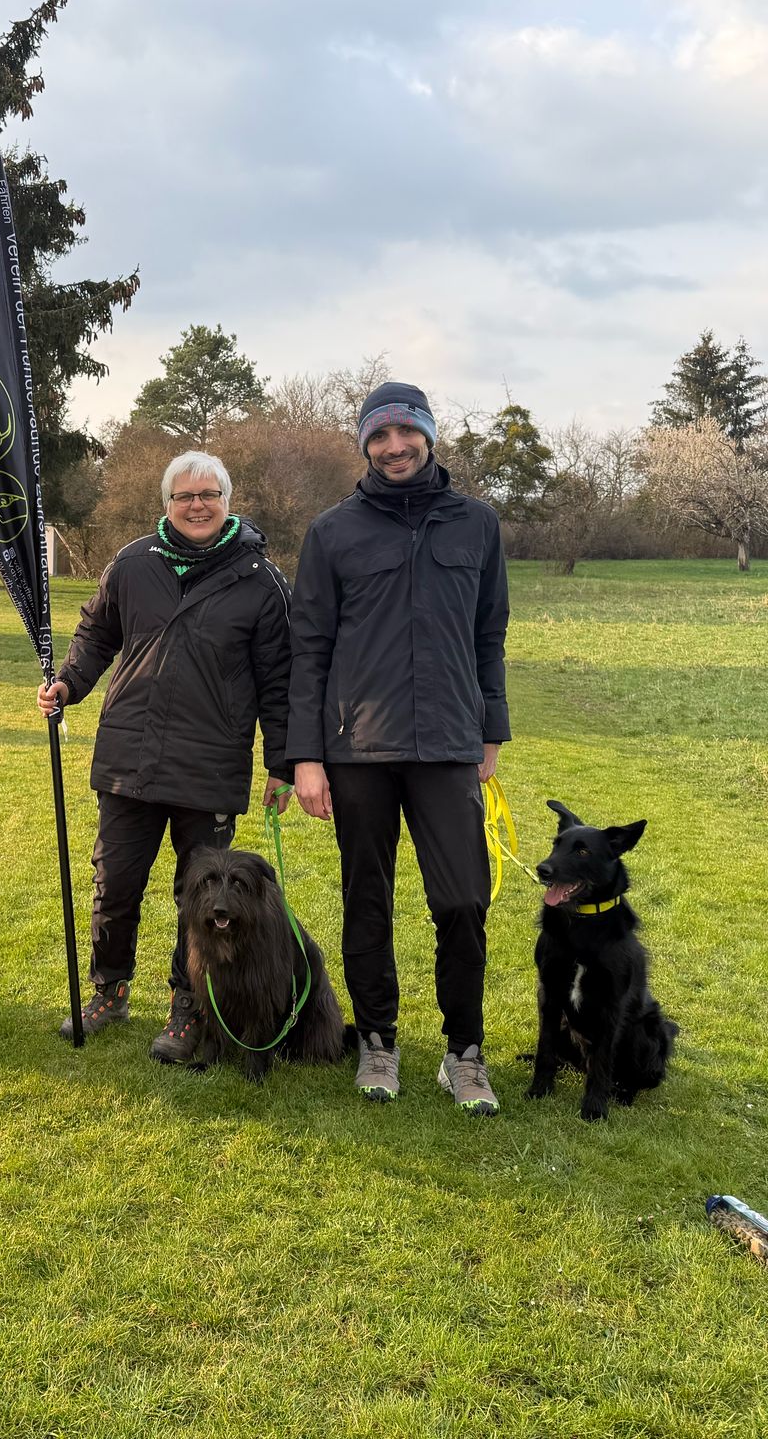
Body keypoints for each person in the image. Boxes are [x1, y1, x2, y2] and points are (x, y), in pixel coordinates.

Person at [287, 382, 510, 1110]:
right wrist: (307, 756)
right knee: (367, 903)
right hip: (360, 751)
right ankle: (377, 1042)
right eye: (378, 438)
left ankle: (463, 1053)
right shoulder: (332, 533)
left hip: (449, 743)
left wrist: (490, 729)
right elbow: (309, 649)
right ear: (365, 446)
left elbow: (489, 635)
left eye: (404, 434)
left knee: (463, 902)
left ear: (428, 436)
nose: (393, 448)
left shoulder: (477, 525)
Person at [37, 452, 293, 1060]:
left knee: (205, 895)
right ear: (166, 504)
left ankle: (188, 1004)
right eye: (184, 496)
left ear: (228, 500)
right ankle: (110, 989)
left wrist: (282, 763)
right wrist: (68, 682)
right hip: (130, 756)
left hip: (210, 764)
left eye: (208, 493)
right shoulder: (132, 563)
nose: (196, 505)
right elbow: (97, 633)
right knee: (115, 883)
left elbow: (281, 679)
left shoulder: (262, 580)